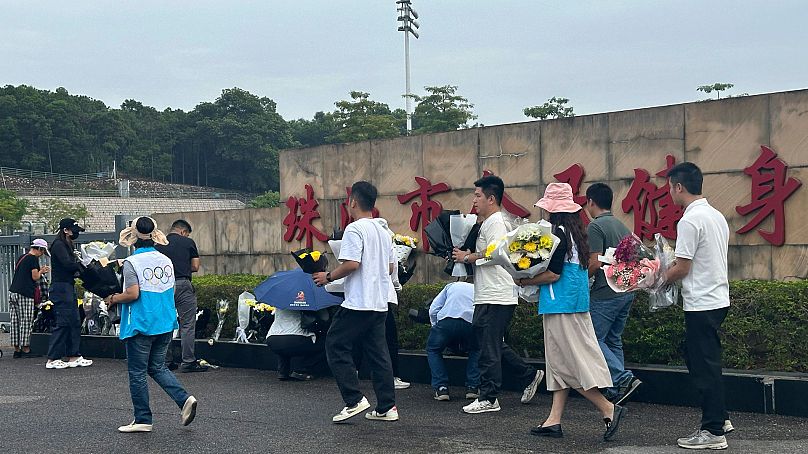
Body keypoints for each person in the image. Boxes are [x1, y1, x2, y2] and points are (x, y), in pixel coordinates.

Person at [520, 182, 625, 441]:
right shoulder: (577, 232)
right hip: (576, 302)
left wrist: (524, 280)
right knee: (558, 363)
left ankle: (608, 408)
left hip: (560, 305)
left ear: (552, 209)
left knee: (565, 364)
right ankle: (553, 420)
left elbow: (553, 273)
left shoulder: (557, 234)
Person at [451, 175, 544, 414]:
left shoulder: (497, 223)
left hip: (497, 293)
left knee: (488, 346)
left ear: (491, 199)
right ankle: (529, 375)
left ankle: (489, 397)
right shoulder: (488, 222)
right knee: (488, 343)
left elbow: (495, 254)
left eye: (478, 195)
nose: (474, 200)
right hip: (488, 294)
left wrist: (467, 257)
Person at [313, 181, 398, 423]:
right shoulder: (384, 231)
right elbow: (391, 266)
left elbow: (352, 264)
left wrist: (327, 276)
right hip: (380, 302)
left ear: (353, 201)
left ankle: (354, 399)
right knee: (379, 354)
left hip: (359, 302)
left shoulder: (354, 229)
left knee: (335, 345)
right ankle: (387, 407)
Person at [106, 216, 198, 433]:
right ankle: (184, 399)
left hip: (141, 323)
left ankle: (142, 418)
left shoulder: (132, 263)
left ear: (133, 238)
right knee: (156, 367)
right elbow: (171, 289)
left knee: (137, 372)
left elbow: (132, 293)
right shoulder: (165, 260)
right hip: (165, 322)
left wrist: (113, 298)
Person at [665, 162, 733, 450]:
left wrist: (654, 280)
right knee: (698, 358)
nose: (670, 193)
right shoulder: (715, 215)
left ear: (679, 187)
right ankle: (721, 417)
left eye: (670, 188)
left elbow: (682, 267)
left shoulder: (690, 220)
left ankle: (713, 431)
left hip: (702, 302)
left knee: (705, 366)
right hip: (716, 299)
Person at [583, 183, 642, 404]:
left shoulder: (595, 227)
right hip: (627, 290)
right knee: (613, 339)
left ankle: (623, 378)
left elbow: (595, 261)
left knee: (593, 338)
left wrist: (580, 280)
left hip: (605, 292)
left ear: (590, 202)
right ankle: (619, 389)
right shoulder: (621, 225)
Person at [155, 219, 207, 373]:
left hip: (164, 287)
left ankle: (166, 361)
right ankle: (188, 362)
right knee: (187, 325)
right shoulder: (188, 242)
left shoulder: (158, 244)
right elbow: (195, 266)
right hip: (183, 284)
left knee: (165, 324)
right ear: (184, 232)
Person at [46, 218, 93, 370]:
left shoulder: (67, 244)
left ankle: (74, 355)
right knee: (63, 322)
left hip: (67, 286)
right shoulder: (59, 245)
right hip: (61, 288)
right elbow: (67, 264)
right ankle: (53, 358)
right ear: (65, 230)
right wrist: (82, 265)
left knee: (74, 321)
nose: (76, 232)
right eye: (74, 229)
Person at [426, 281, 480, 401]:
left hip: (447, 321)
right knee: (476, 350)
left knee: (433, 349)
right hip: (470, 322)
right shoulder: (479, 288)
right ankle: (473, 387)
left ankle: (441, 388)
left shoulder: (451, 286)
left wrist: (435, 326)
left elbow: (433, 309)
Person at [9, 239, 51, 358]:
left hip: (13, 291)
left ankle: (17, 349)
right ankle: (26, 349)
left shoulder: (22, 257)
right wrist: (42, 271)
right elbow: (35, 277)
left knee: (15, 320)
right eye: (42, 251)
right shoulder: (33, 259)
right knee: (26, 320)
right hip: (25, 293)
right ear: (39, 249)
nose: (42, 254)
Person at [267, 308, 327, 381]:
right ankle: (302, 371)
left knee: (283, 345)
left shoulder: (281, 301)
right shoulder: (306, 302)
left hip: (272, 339)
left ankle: (283, 372)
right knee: (325, 345)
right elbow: (324, 317)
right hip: (296, 338)